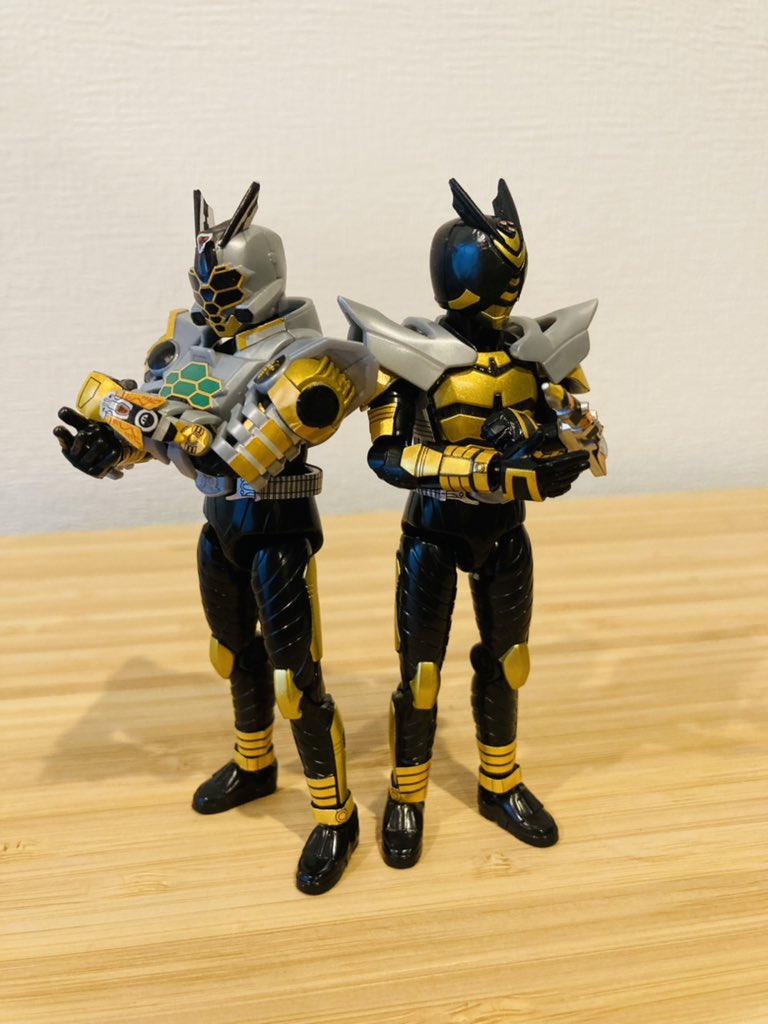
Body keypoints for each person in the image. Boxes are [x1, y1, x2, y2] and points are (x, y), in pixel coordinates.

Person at [55, 182, 376, 894]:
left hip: (278, 530)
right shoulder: (189, 342)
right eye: (203, 283)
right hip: (221, 527)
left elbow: (238, 456)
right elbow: (164, 429)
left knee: (295, 678)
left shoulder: (309, 361)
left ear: (263, 281)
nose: (210, 298)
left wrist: (155, 427)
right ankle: (254, 763)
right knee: (232, 652)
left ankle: (336, 815)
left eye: (224, 284)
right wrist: (111, 445)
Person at [339, 177, 606, 868]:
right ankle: (406, 793)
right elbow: (389, 456)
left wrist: (561, 444)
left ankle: (500, 782)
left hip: (505, 532)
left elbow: (574, 428)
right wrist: (484, 468)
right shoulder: (410, 355)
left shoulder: (536, 352)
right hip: (432, 529)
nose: (508, 291)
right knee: (421, 672)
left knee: (509, 662)